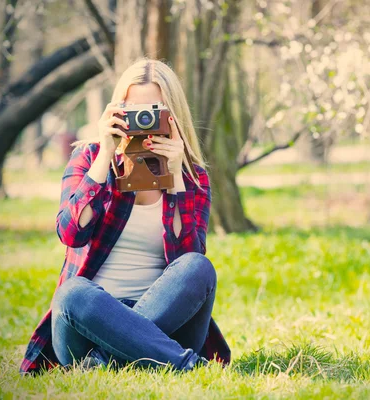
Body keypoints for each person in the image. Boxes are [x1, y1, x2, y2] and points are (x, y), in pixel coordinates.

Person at [18, 58, 231, 376]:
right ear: (117, 110)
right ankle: (182, 363)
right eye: (134, 111)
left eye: (154, 111)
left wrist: (175, 180)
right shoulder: (90, 158)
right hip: (89, 323)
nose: (143, 122)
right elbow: (70, 233)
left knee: (199, 267)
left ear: (173, 114)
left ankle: (112, 358)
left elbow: (187, 262)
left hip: (166, 320)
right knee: (73, 292)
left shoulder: (192, 177)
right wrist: (105, 153)